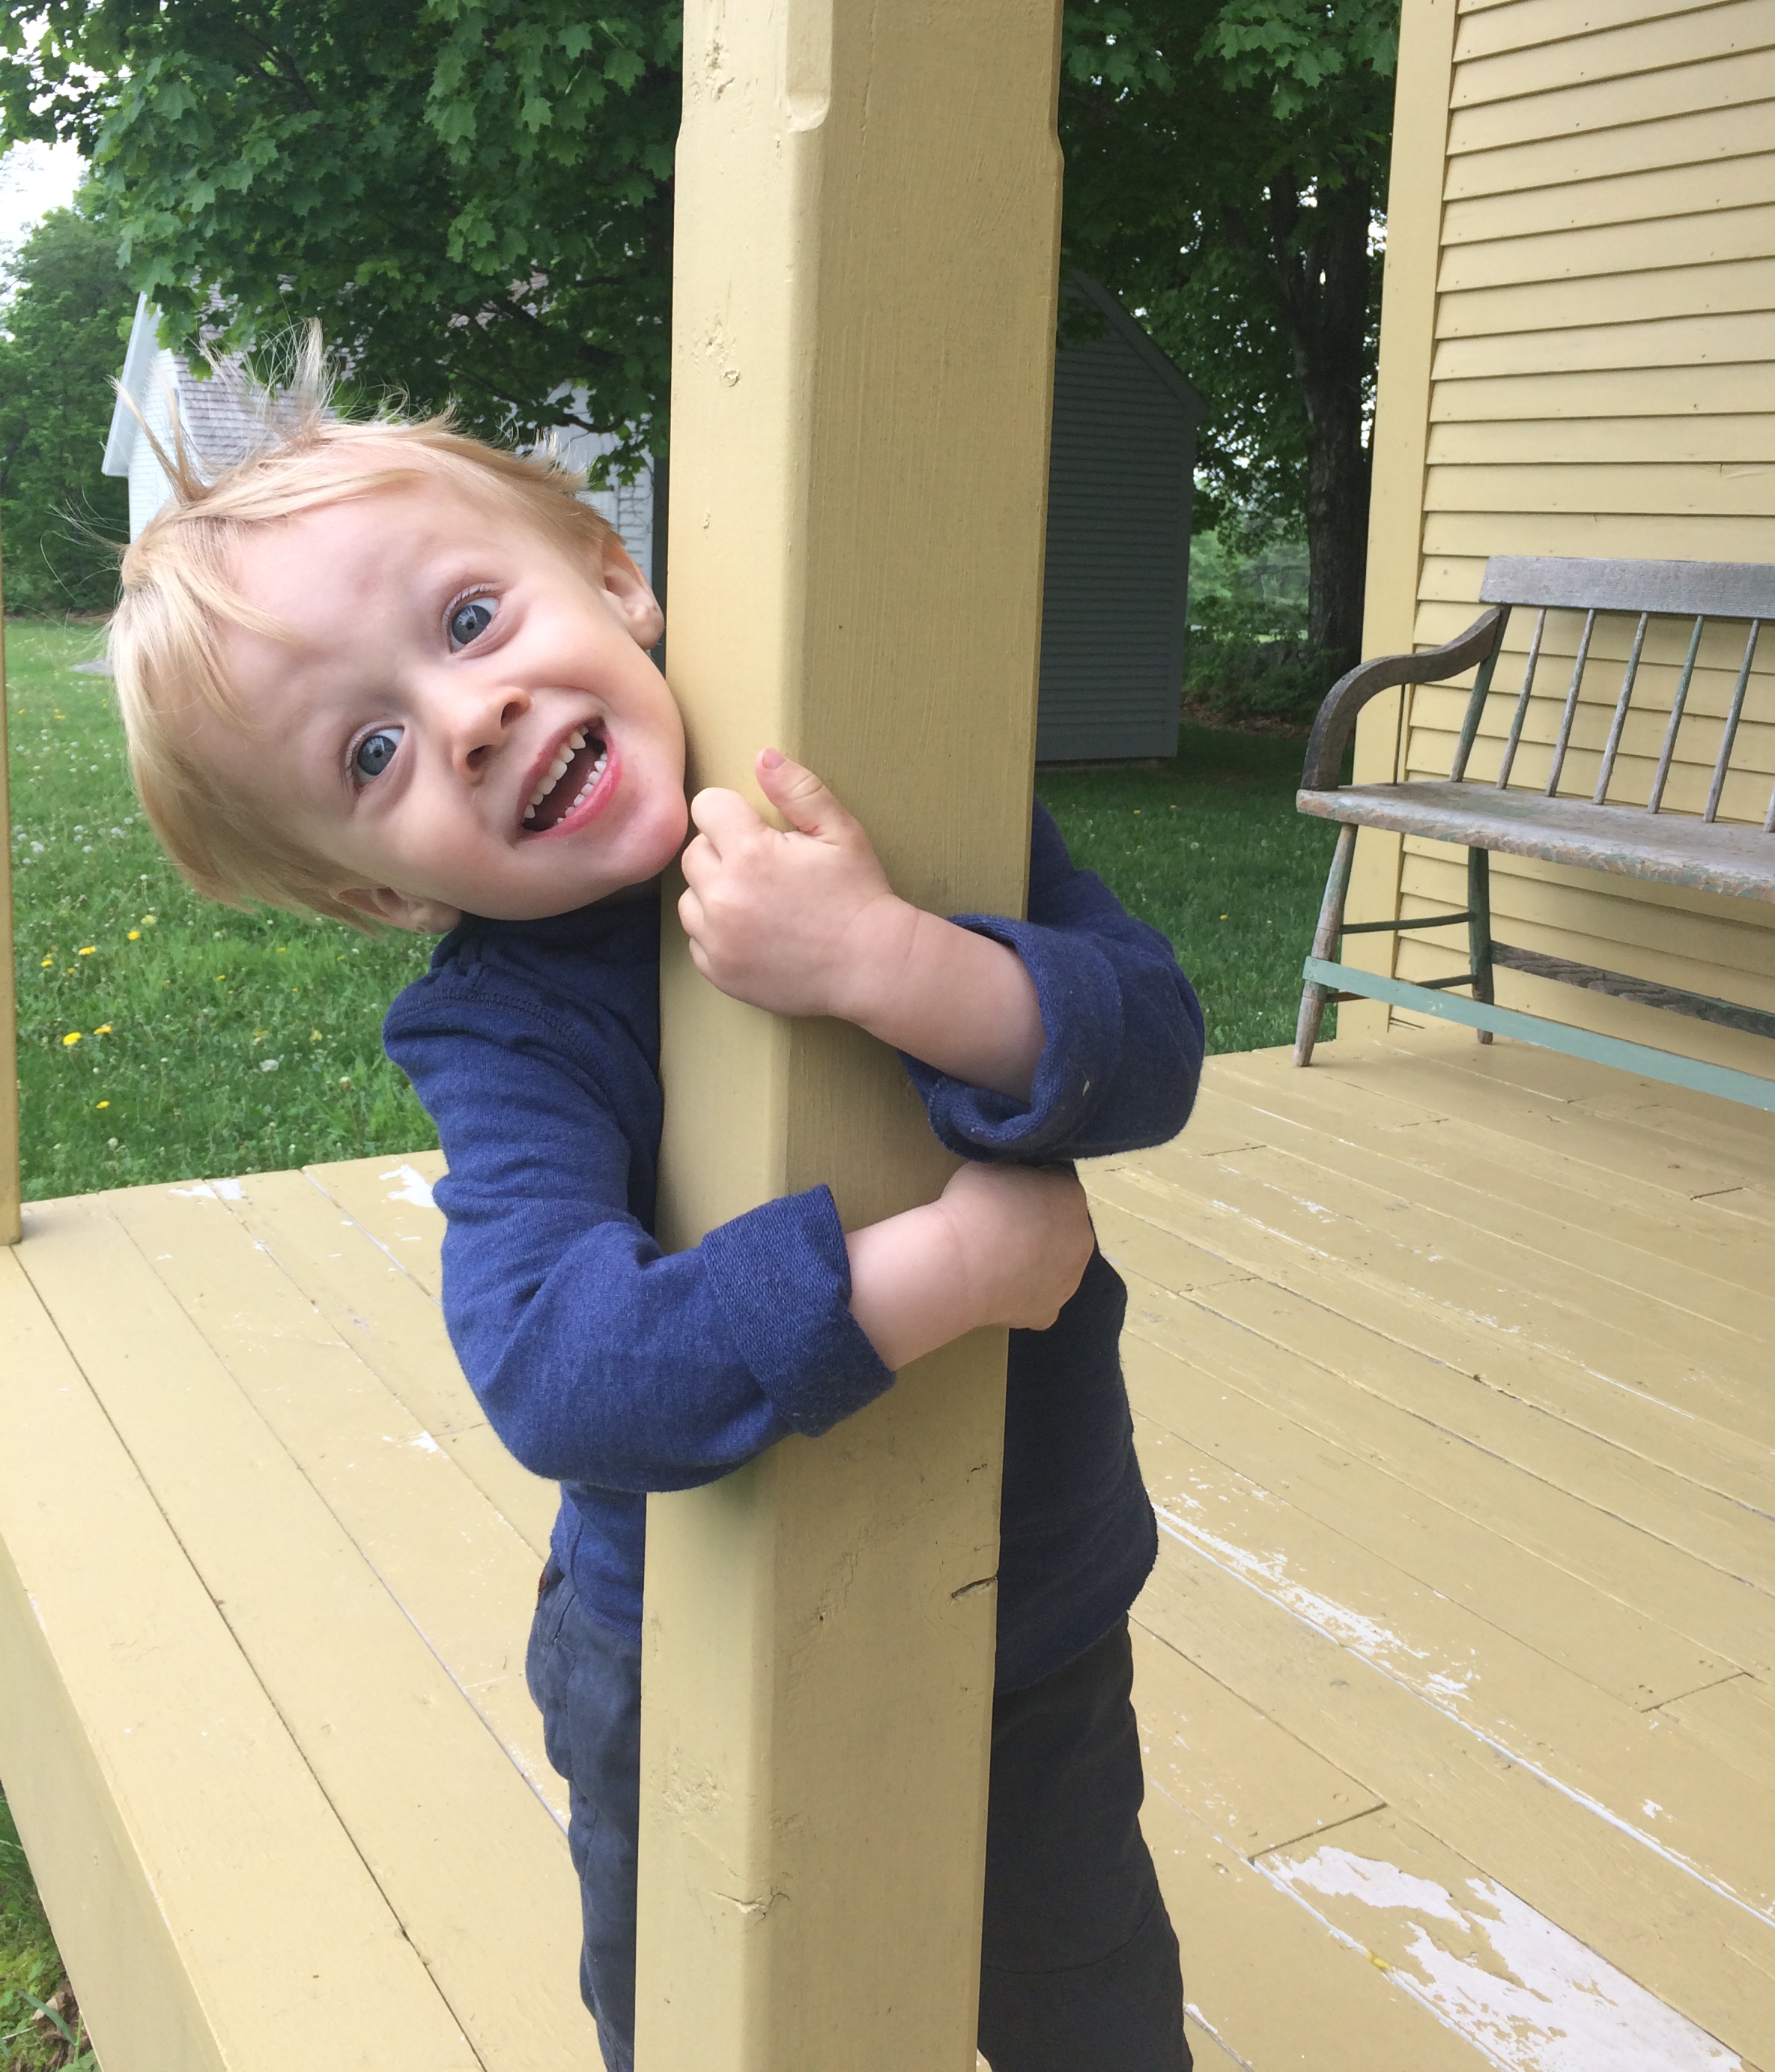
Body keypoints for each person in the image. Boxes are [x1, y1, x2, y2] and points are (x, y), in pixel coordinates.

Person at [110, 366, 1207, 2072]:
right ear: (380, 890)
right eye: (373, 751)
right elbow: (558, 1370)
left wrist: (893, 962)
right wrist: (938, 1269)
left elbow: (1154, 1049)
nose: (468, 715)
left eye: (469, 619)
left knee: (1091, 2006)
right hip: (685, 1646)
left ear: (615, 577)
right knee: (714, 2018)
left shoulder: (884, 782)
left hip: (1028, 1592)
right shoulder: (510, 1031)